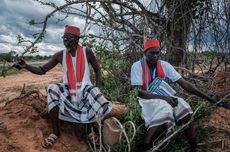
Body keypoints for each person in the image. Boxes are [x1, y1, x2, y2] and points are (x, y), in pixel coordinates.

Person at [13, 25, 112, 148]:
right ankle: (55, 132)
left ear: (77, 39)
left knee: (94, 94)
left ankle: (90, 131)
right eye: (64, 39)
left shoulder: (87, 52)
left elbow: (97, 70)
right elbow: (42, 70)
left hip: (85, 88)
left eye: (69, 38)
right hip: (69, 90)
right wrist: (26, 66)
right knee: (52, 89)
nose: (66, 42)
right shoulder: (60, 55)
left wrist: (98, 87)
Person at [130, 39, 216, 152]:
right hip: (146, 98)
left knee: (183, 106)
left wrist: (209, 98)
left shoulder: (164, 65)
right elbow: (138, 91)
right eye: (152, 53)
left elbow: (184, 83)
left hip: (162, 96)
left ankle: (194, 147)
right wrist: (164, 98)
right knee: (165, 109)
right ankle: (145, 146)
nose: (155, 56)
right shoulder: (137, 66)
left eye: (157, 53)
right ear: (145, 53)